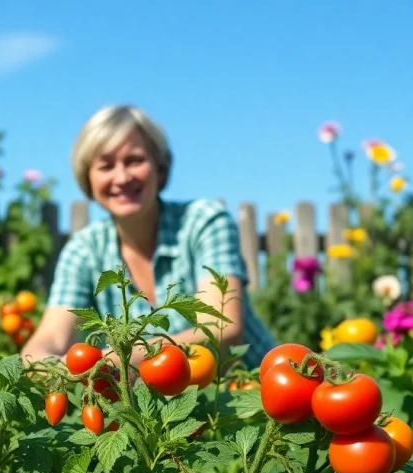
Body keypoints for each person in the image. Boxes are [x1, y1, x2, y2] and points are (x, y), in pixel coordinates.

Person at [20, 104, 276, 371]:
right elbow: (50, 337)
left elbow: (220, 329)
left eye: (134, 160)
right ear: (88, 178)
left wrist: (109, 363)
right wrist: (38, 366)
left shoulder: (203, 221)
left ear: (160, 168)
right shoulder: (83, 251)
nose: (121, 177)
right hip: (163, 410)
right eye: (106, 166)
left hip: (250, 395)